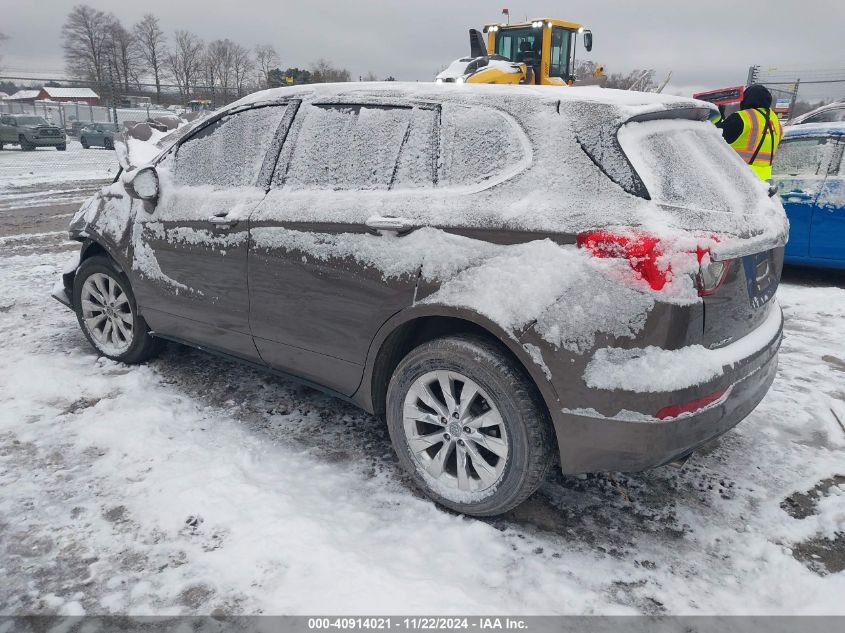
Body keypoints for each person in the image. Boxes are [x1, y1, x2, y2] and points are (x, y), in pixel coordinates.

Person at [717, 84, 783, 180]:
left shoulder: (743, 118)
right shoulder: (775, 121)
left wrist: (718, 118)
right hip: (764, 181)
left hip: (739, 178)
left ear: (746, 99)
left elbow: (715, 136)